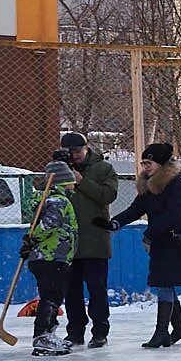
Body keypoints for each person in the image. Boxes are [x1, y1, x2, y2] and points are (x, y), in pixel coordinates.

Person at [105, 143, 181, 348]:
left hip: (175, 241)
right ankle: (179, 329)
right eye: (143, 163)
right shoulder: (148, 186)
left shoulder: (176, 185)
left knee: (164, 284)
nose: (145, 167)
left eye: (149, 163)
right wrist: (115, 222)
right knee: (166, 284)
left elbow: (174, 215)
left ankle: (162, 332)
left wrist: (149, 233)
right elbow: (135, 209)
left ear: (162, 164)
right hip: (160, 242)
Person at [58, 132, 117, 348]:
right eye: (70, 153)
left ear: (86, 148)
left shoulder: (103, 169)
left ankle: (100, 331)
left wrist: (82, 182)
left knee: (96, 289)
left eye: (77, 152)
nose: (75, 157)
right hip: (68, 243)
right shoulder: (59, 169)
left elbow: (108, 195)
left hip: (95, 240)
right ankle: (75, 331)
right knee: (71, 291)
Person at [22, 160, 79, 357]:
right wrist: (33, 239)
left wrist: (31, 242)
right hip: (52, 256)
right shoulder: (59, 201)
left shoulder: (46, 199)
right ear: (63, 182)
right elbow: (49, 225)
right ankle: (42, 337)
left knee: (52, 295)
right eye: (71, 181)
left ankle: (48, 334)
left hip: (47, 256)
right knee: (52, 296)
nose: (74, 185)